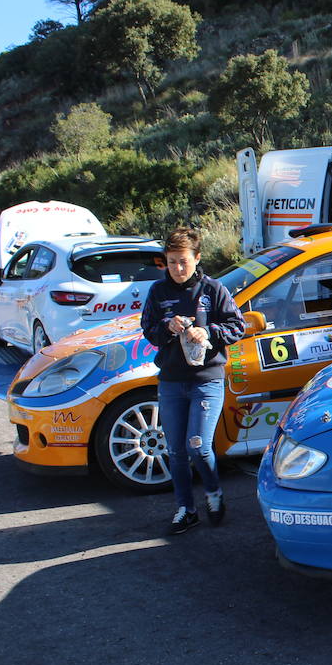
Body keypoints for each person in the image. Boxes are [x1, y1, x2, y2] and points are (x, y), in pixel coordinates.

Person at [140, 228, 246, 535]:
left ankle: (214, 493)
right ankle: (186, 508)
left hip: (206, 379)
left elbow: (236, 326)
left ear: (196, 258)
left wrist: (209, 332)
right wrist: (167, 326)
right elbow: (149, 331)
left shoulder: (212, 290)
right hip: (172, 380)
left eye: (183, 262)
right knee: (175, 451)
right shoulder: (158, 292)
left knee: (198, 446)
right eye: (172, 262)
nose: (177, 268)